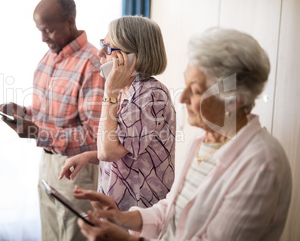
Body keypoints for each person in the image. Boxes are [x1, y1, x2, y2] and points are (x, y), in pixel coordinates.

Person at [73, 27, 292, 241]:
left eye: (196, 90)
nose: (182, 97)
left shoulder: (260, 165)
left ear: (235, 98)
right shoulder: (202, 141)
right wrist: (123, 217)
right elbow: (172, 208)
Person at [0, 0, 104, 241]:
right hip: (47, 163)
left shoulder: (92, 63)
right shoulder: (49, 57)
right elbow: (46, 111)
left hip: (77, 169)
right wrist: (22, 112)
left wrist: (38, 133)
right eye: (39, 30)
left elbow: (94, 137)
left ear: (70, 22)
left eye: (49, 30)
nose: (43, 38)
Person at [59, 16, 176, 212]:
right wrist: (89, 155)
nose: (99, 52)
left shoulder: (150, 94)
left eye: (109, 48)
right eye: (102, 44)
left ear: (132, 58)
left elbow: (108, 151)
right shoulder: (127, 91)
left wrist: (110, 90)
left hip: (139, 213)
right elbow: (125, 148)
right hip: (119, 208)